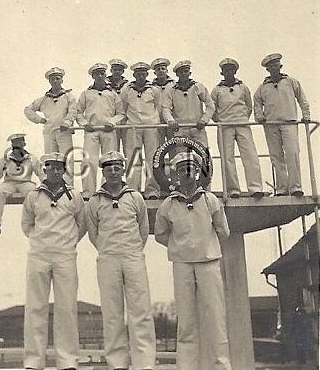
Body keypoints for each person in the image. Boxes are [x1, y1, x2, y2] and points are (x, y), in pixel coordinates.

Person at [155, 151, 231, 370]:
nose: (185, 173)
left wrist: (204, 243)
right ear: (175, 175)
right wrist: (180, 246)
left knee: (215, 316)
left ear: (197, 172)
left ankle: (221, 366)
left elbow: (222, 231)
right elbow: (161, 234)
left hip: (208, 262)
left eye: (189, 169)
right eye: (180, 170)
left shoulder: (210, 200)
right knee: (186, 321)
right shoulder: (168, 205)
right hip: (182, 265)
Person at [86, 151, 156, 370]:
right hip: (108, 258)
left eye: (117, 167)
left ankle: (144, 363)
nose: (114, 172)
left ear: (123, 170)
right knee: (112, 311)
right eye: (109, 168)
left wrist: (131, 249)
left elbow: (143, 229)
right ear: (103, 172)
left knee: (140, 310)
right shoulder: (95, 201)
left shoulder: (135, 197)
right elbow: (93, 233)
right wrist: (109, 250)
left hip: (133, 256)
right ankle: (117, 363)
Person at [21, 152, 86, 370]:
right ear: (45, 169)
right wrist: (40, 242)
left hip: (65, 256)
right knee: (35, 308)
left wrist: (66, 243)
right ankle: (33, 361)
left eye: (60, 167)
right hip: (38, 255)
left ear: (64, 170)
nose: (56, 171)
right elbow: (27, 224)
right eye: (51, 167)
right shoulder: (33, 195)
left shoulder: (74, 195)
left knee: (66, 308)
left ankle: (67, 361)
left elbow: (82, 224)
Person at [254, 53, 310, 196]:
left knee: (292, 153)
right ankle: (282, 188)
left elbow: (302, 100)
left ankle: (296, 187)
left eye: (275, 65)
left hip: (289, 122)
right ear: (267, 69)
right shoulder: (262, 88)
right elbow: (257, 104)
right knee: (276, 156)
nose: (274, 68)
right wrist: (259, 117)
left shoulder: (291, 82)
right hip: (271, 124)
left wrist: (306, 116)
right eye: (270, 66)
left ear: (280, 66)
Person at [211, 58, 264, 198]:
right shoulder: (216, 90)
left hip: (242, 124)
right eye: (226, 70)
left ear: (235, 71)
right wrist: (222, 120)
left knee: (250, 156)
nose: (229, 72)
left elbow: (248, 106)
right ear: (222, 72)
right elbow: (212, 109)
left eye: (231, 70)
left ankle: (255, 188)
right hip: (225, 126)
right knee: (227, 158)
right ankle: (233, 189)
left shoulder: (243, 87)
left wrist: (242, 118)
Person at [77, 63, 125, 200]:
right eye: (96, 74)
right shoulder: (86, 93)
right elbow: (78, 113)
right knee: (89, 161)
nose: (99, 76)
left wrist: (112, 122)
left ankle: (108, 190)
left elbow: (121, 113)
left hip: (108, 130)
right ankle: (88, 192)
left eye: (102, 73)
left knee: (110, 161)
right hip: (91, 131)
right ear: (92, 76)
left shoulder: (113, 94)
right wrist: (85, 124)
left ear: (105, 75)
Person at [0, 133, 44, 235]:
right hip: (9, 183)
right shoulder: (5, 159)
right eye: (15, 143)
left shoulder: (32, 158)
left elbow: (40, 172)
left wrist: (47, 185)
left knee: (33, 192)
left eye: (20, 142)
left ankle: (36, 222)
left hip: (25, 183)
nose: (17, 146)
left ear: (24, 144)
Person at [24, 67, 77, 185]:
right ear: (49, 81)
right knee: (50, 160)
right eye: (52, 79)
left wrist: (67, 122)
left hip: (64, 132)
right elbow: (28, 110)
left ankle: (68, 186)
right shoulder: (44, 99)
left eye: (58, 78)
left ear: (62, 80)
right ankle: (53, 185)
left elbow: (73, 111)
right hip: (49, 132)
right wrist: (40, 120)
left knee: (67, 159)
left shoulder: (68, 96)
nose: (55, 81)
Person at [121, 61, 161, 199]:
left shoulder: (153, 90)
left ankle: (152, 190)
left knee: (152, 158)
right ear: (134, 75)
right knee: (133, 158)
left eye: (143, 74)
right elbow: (123, 107)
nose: (141, 76)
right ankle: (133, 190)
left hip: (150, 126)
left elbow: (158, 107)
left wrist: (154, 122)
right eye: (138, 74)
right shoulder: (127, 89)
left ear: (147, 74)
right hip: (133, 126)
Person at [162, 60, 215, 148]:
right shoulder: (171, 91)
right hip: (180, 128)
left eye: (185, 71)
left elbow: (210, 106)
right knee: (182, 156)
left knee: (202, 154)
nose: (183, 74)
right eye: (180, 72)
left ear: (190, 73)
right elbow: (166, 108)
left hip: (197, 128)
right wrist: (170, 121)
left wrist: (204, 120)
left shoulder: (198, 87)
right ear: (177, 74)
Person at [106, 59, 129, 153]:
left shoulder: (128, 85)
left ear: (123, 71)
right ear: (111, 70)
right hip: (111, 121)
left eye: (119, 70)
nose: (117, 72)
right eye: (115, 69)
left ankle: (128, 168)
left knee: (128, 149)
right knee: (112, 149)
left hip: (126, 121)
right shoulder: (104, 84)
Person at [151, 58, 175, 144]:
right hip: (157, 123)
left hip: (172, 122)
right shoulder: (151, 87)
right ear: (155, 72)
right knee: (158, 148)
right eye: (158, 69)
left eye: (163, 68)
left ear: (167, 70)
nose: (161, 71)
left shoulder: (174, 85)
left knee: (173, 147)